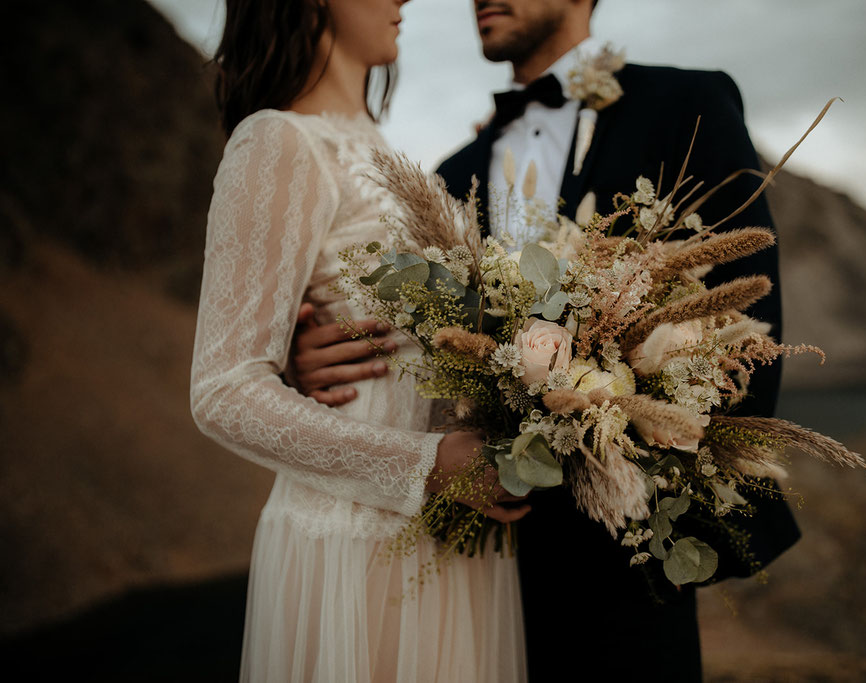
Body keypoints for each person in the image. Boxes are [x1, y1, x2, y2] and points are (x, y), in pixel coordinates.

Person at [291, 0, 800, 679]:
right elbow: (424, 346)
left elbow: (748, 320)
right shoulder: (449, 175)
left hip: (631, 568)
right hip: (476, 563)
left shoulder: (687, 102)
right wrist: (306, 359)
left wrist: (671, 512)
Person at [189, 1, 529, 681]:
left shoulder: (385, 150)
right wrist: (428, 462)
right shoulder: (277, 140)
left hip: (449, 543)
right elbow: (223, 389)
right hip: (352, 546)